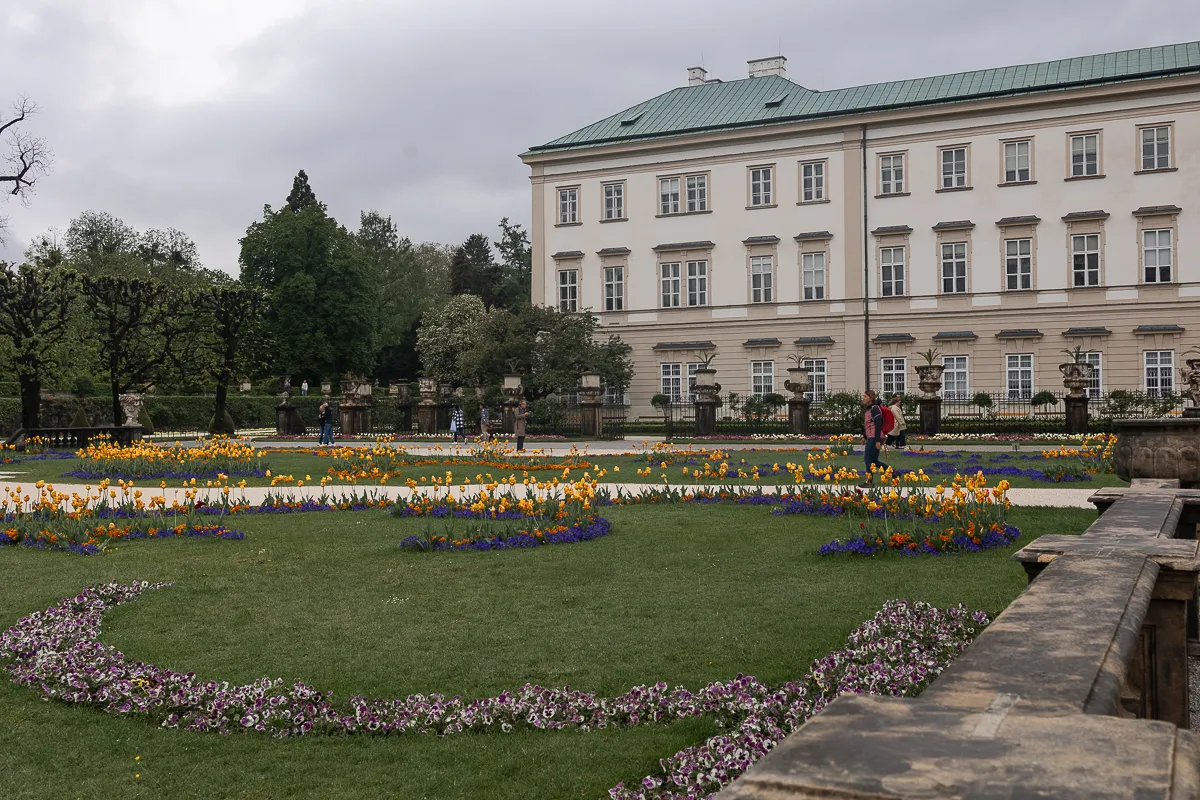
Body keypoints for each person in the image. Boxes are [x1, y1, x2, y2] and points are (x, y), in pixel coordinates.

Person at [862, 390, 889, 481]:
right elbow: (869, 424)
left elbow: (878, 425)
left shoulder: (875, 409)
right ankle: (894, 473)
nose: (863, 398)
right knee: (874, 460)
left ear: (871, 398)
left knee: (867, 459)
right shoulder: (869, 408)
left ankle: (869, 481)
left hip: (874, 437)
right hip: (872, 436)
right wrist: (865, 436)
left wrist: (877, 440)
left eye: (865, 396)